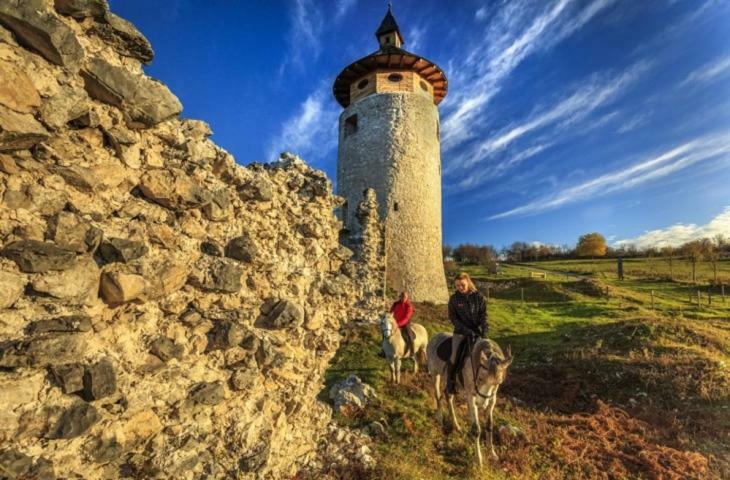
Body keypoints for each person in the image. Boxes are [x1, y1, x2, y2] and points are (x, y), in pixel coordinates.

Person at [445, 272, 488, 395]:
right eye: (457, 285)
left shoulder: (479, 297)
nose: (460, 288)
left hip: (477, 332)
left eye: (462, 285)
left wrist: (484, 330)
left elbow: (483, 315)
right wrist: (466, 330)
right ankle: (451, 382)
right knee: (454, 356)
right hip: (460, 333)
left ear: (468, 283)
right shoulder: (454, 299)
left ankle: (486, 380)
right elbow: (453, 318)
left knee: (487, 355)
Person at [390, 291, 414, 356]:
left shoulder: (409, 306)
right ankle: (383, 350)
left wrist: (399, 324)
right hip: (395, 323)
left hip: (405, 324)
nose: (403, 298)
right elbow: (391, 312)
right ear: (400, 297)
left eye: (405, 297)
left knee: (410, 336)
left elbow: (407, 317)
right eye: (402, 297)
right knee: (385, 333)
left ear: (407, 297)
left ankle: (412, 351)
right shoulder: (395, 304)